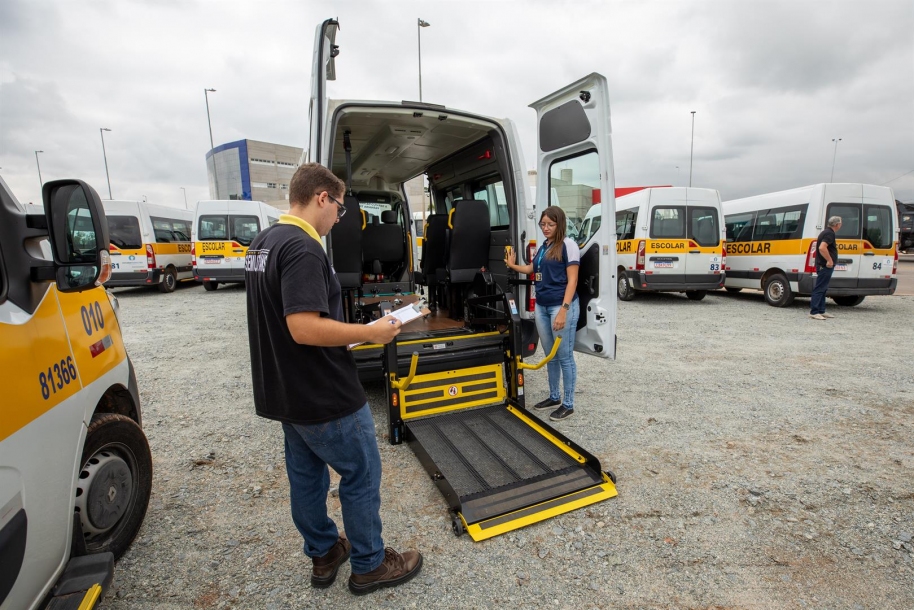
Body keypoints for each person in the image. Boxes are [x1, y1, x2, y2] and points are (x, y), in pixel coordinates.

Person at [245, 163, 422, 595]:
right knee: (360, 473)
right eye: (340, 209)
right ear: (322, 197)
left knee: (307, 478)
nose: (339, 219)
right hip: (325, 393)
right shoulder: (303, 248)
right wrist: (370, 333)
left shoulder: (263, 243)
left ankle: (324, 553)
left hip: (287, 392)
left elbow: (282, 321)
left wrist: (345, 334)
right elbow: (303, 327)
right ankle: (370, 564)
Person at [505, 206, 580, 421]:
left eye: (550, 224)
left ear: (559, 224)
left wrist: (564, 311)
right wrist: (512, 265)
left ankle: (568, 403)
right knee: (550, 355)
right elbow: (532, 269)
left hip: (560, 306)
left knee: (564, 356)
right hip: (542, 305)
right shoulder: (544, 246)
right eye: (543, 224)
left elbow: (572, 280)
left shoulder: (568, 245)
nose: (545, 228)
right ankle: (554, 396)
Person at [810, 216, 842, 320]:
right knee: (819, 288)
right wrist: (829, 260)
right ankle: (814, 311)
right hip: (825, 265)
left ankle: (821, 310)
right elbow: (822, 247)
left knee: (823, 288)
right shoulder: (829, 233)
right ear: (837, 224)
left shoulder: (826, 232)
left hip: (823, 265)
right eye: (840, 223)